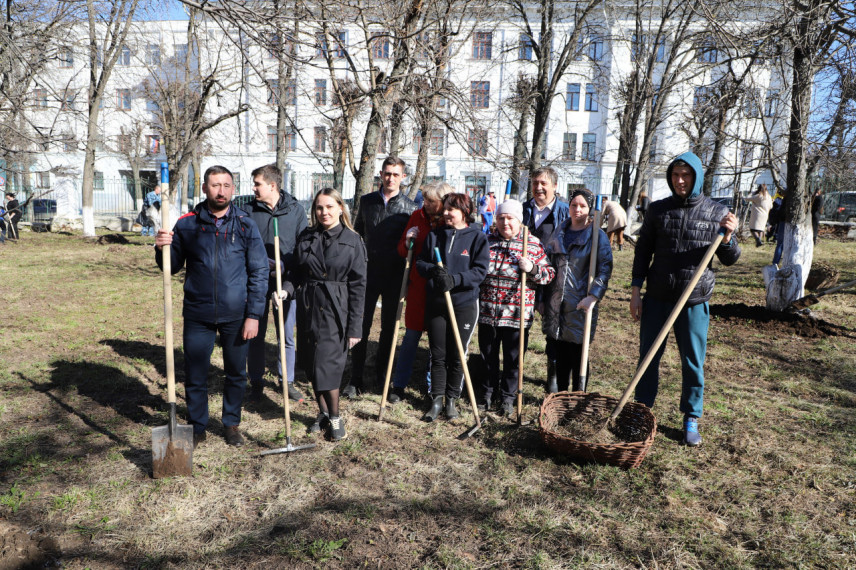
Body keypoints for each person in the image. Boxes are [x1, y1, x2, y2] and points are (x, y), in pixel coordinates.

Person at [630, 152, 740, 447]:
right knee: (648, 357)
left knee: (693, 362)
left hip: (693, 301)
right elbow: (643, 252)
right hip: (657, 297)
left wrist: (728, 238)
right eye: (676, 175)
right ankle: (642, 411)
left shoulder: (716, 212)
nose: (680, 181)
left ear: (697, 177)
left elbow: (730, 259)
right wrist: (635, 291)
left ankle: (691, 416)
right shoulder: (657, 210)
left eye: (686, 175)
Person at [154, 166, 268, 448]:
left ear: (233, 188)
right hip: (198, 312)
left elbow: (259, 271)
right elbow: (171, 266)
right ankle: (198, 425)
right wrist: (161, 248)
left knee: (235, 372)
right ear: (204, 188)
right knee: (195, 372)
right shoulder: (187, 224)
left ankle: (231, 424)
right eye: (215, 185)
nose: (221, 191)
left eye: (227, 185)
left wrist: (253, 315)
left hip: (236, 314)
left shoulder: (245, 224)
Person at [281, 188, 366, 441]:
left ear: (341, 208)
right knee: (310, 362)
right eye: (319, 207)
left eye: (329, 206)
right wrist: (286, 290)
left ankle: (336, 417)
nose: (324, 212)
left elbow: (359, 287)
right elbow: (295, 272)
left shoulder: (353, 240)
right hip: (308, 305)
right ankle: (323, 413)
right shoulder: (306, 237)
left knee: (328, 364)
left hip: (336, 308)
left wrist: (355, 327)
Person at [415, 193, 489, 422]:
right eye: (445, 208)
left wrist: (455, 280)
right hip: (437, 304)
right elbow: (420, 262)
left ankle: (451, 399)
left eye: (451, 209)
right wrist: (432, 271)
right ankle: (436, 398)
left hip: (464, 304)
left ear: (464, 212)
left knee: (457, 354)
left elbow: (480, 271)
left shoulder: (477, 237)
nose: (446, 213)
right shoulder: (435, 236)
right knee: (437, 354)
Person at [478, 199, 555, 416]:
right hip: (488, 312)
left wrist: (532, 268)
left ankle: (508, 397)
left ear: (519, 221)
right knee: (488, 355)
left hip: (516, 315)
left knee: (513, 359)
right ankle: (487, 393)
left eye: (510, 218)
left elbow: (548, 275)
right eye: (501, 218)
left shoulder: (531, 243)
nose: (505, 223)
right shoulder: (487, 240)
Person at [349, 156, 417, 397]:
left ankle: (382, 377)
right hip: (367, 273)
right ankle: (355, 377)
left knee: (389, 328)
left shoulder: (410, 208)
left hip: (395, 276)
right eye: (387, 173)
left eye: (395, 174)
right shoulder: (367, 202)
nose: (390, 178)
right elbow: (357, 233)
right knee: (361, 325)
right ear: (380, 174)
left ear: (403, 177)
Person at [243, 164, 308, 403]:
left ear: (272, 185)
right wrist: (262, 262)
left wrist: (285, 265)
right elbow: (243, 245)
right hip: (257, 281)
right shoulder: (249, 211)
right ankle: (256, 382)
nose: (254, 188)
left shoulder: (295, 210)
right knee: (255, 333)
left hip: (286, 282)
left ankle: (287, 381)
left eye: (257, 184)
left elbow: (303, 247)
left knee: (286, 334)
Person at [388, 181, 453, 404]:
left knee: (437, 343)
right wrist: (408, 241)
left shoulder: (451, 219)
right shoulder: (417, 216)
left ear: (443, 203)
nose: (425, 203)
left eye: (430, 201)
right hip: (417, 287)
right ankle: (399, 384)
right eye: (424, 199)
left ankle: (431, 387)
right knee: (410, 338)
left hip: (441, 290)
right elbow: (400, 250)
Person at [541, 189, 612, 392]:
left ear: (590, 209)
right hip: (557, 304)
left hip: (581, 305)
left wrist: (594, 295)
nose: (577, 209)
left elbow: (604, 268)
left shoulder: (597, 236)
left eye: (582, 206)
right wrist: (542, 299)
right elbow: (547, 264)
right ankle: (562, 397)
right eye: (574, 205)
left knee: (578, 355)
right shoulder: (559, 232)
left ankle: (578, 397)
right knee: (560, 353)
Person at [521, 166, 570, 394]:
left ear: (554, 186)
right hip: (525, 276)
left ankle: (552, 373)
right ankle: (516, 371)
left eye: (543, 183)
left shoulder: (564, 212)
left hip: (553, 275)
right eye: (535, 183)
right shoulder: (523, 210)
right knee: (521, 323)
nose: (538, 188)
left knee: (552, 326)